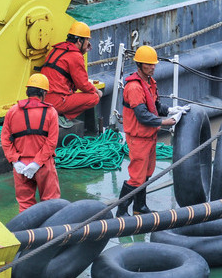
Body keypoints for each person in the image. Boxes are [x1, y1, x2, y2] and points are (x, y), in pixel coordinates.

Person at [117, 45, 178, 216]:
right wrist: (164, 121)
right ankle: (121, 210)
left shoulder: (150, 82)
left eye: (154, 64)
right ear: (140, 64)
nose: (153, 67)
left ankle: (139, 207)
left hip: (149, 136)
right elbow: (143, 115)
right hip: (138, 138)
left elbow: (155, 106)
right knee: (136, 177)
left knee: (146, 174)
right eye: (149, 64)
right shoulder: (134, 87)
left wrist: (170, 110)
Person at [0, 75, 61, 212]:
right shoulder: (51, 113)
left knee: (25, 206)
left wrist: (15, 161)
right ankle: (51, 233)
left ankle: (29, 233)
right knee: (51, 204)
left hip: (21, 166)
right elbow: (51, 142)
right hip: (44, 165)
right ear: (43, 93)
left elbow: (5, 140)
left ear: (28, 91)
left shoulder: (12, 111)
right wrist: (37, 163)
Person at [37, 21, 102, 128]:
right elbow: (83, 85)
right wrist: (97, 91)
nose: (88, 44)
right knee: (94, 97)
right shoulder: (75, 55)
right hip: (56, 102)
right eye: (87, 40)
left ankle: (59, 115)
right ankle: (62, 117)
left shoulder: (56, 50)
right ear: (79, 41)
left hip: (43, 99)